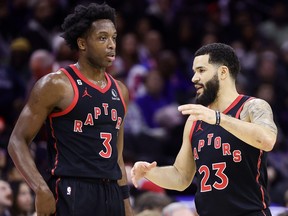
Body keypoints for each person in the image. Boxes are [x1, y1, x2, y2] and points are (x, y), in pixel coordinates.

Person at [8, 3, 133, 216]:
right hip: (72, 189)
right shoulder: (56, 84)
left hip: (111, 191)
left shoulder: (121, 90)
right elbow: (17, 141)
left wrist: (126, 203)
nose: (111, 44)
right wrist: (40, 189)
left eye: (113, 37)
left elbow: (117, 157)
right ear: (82, 43)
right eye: (102, 38)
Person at [131, 43, 278, 216]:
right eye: (194, 71)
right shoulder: (195, 119)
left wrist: (218, 118)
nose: (194, 78)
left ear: (223, 72)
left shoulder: (252, 106)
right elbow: (181, 177)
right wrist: (149, 172)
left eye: (201, 70)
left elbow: (267, 140)